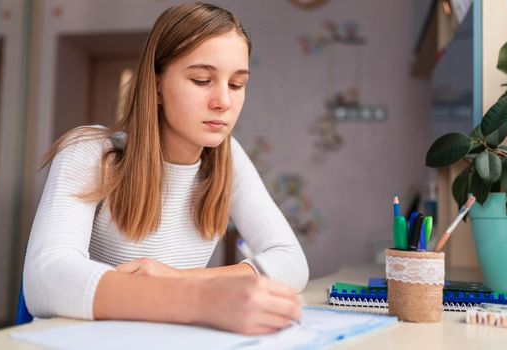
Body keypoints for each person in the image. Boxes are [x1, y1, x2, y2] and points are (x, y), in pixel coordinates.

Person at [23, 2, 309, 335]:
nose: (224, 102)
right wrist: (202, 299)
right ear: (157, 85)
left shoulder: (228, 157)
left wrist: (179, 280)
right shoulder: (88, 151)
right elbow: (46, 280)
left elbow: (291, 262)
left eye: (236, 84)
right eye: (202, 80)